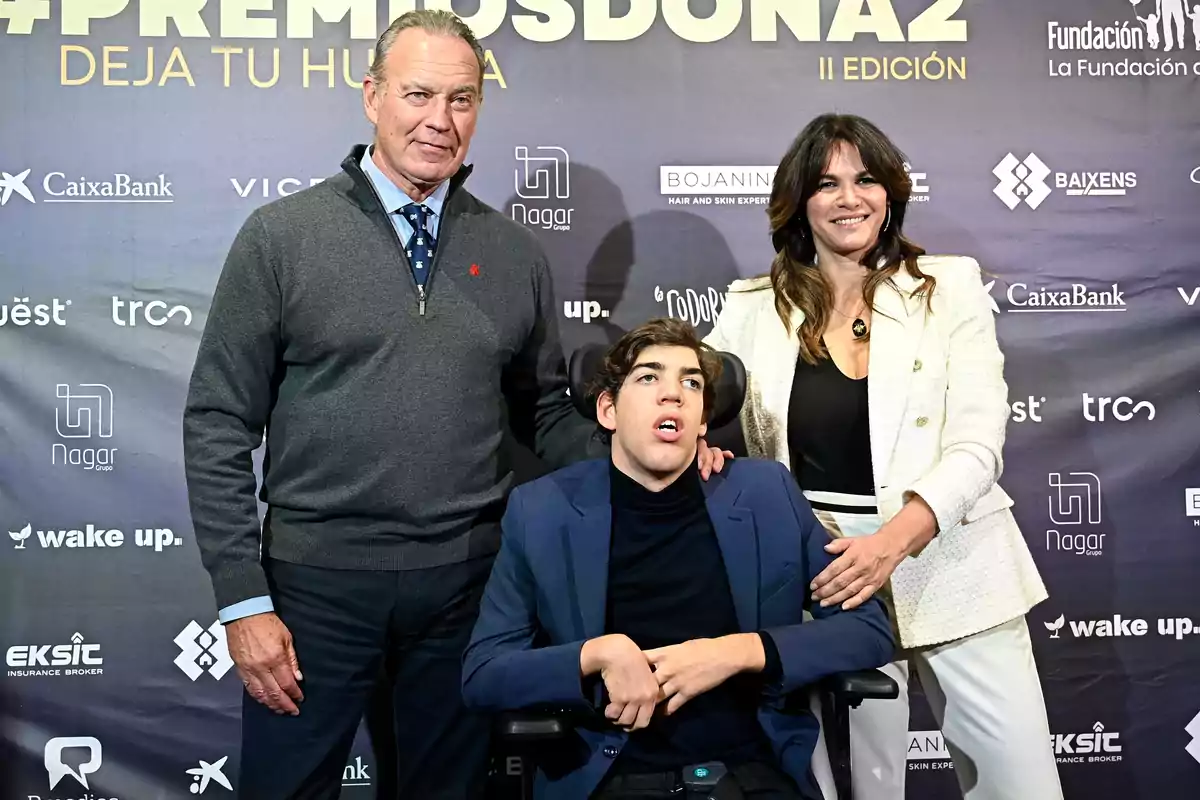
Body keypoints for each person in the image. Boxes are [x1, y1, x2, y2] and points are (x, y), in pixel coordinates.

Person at [181, 11, 728, 799]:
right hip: (314, 591)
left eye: (462, 100)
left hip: (467, 594)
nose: (440, 121)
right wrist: (242, 598)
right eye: (418, 94)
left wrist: (653, 452)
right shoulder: (281, 237)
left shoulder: (510, 253)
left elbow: (540, 414)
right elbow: (218, 422)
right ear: (372, 97)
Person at [703, 113, 1063, 800]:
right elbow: (697, 390)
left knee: (1021, 787)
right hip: (821, 570)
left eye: (865, 179)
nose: (849, 198)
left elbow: (978, 441)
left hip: (945, 554)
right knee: (860, 788)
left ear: (891, 192)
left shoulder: (949, 285)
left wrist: (893, 544)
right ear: (798, 202)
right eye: (827, 183)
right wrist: (696, 440)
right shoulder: (751, 306)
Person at [461, 318, 895, 800]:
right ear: (607, 410)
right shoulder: (542, 511)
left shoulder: (765, 494)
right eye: (649, 378)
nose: (673, 394)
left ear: (703, 419)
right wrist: (596, 655)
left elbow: (869, 631)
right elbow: (484, 674)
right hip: (610, 778)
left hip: (750, 773)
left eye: (691, 382)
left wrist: (738, 652)